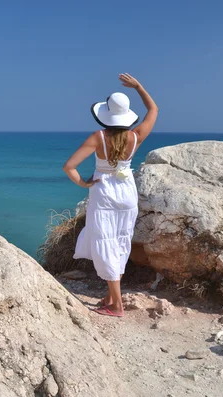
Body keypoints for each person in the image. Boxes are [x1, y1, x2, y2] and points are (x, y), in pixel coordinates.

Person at [62, 73, 158, 317]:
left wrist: (84, 184)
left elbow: (69, 166)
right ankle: (109, 296)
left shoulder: (98, 138)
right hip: (127, 194)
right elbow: (153, 109)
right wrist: (138, 86)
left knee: (105, 245)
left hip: (104, 193)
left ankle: (117, 306)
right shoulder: (136, 136)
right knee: (120, 243)